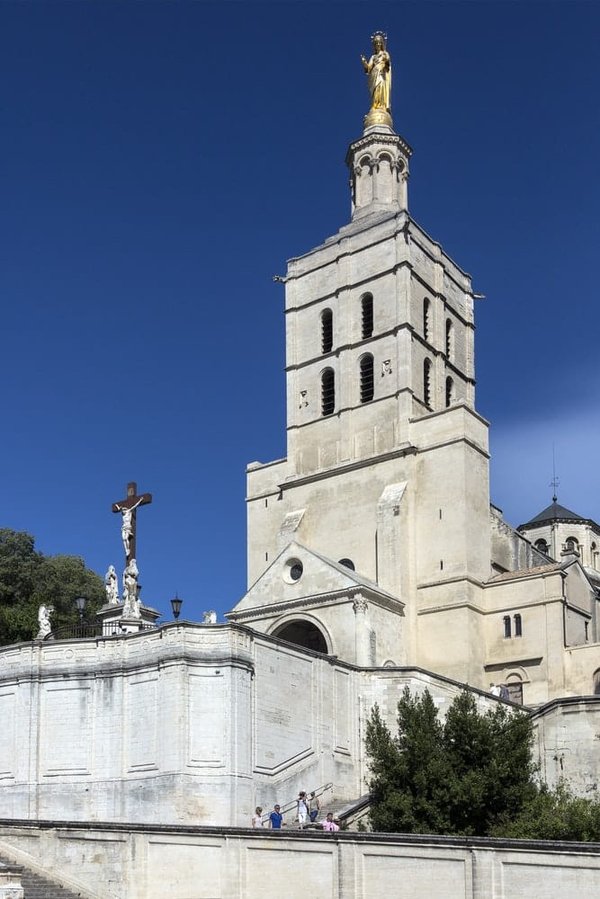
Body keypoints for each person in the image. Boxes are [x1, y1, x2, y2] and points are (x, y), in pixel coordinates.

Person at [360, 32, 392, 114]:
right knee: (375, 91)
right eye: (376, 43)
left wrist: (386, 60)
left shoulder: (385, 54)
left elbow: (388, 64)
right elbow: (368, 68)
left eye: (379, 43)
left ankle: (381, 106)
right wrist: (364, 62)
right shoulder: (373, 57)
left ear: (382, 44)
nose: (378, 44)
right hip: (374, 74)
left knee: (381, 88)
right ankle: (375, 105)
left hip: (382, 74)